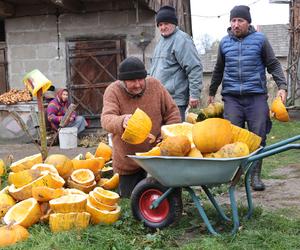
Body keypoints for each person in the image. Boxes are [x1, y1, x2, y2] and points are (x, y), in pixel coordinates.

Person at [208, 5, 288, 191]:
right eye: (233, 21)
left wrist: (282, 86)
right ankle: (234, 176)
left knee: (258, 137)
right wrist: (211, 92)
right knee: (232, 137)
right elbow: (218, 70)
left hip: (256, 97)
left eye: (240, 21)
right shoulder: (224, 43)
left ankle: (255, 176)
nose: (236, 24)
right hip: (232, 98)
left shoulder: (260, 40)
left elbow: (273, 64)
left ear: (248, 22)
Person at [101, 56, 181, 198]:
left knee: (167, 196)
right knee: (131, 199)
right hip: (128, 160)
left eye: (140, 79)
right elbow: (106, 119)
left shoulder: (155, 86)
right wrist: (121, 121)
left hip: (158, 156)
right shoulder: (113, 91)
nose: (138, 84)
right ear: (123, 81)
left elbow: (172, 112)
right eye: (132, 80)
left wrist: (166, 135)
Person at [150, 5, 203, 121]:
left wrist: (194, 94)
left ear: (174, 23)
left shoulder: (182, 40)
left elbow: (194, 68)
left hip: (175, 100)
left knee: (175, 135)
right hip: (160, 98)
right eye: (160, 25)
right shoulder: (161, 42)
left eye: (166, 23)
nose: (163, 27)